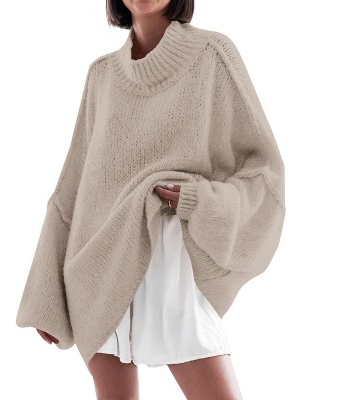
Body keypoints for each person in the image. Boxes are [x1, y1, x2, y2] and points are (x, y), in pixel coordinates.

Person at [17, 0, 286, 399]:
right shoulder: (102, 75)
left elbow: (264, 172)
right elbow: (71, 189)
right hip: (97, 269)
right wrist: (45, 297)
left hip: (169, 257)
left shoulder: (212, 54)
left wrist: (200, 201)